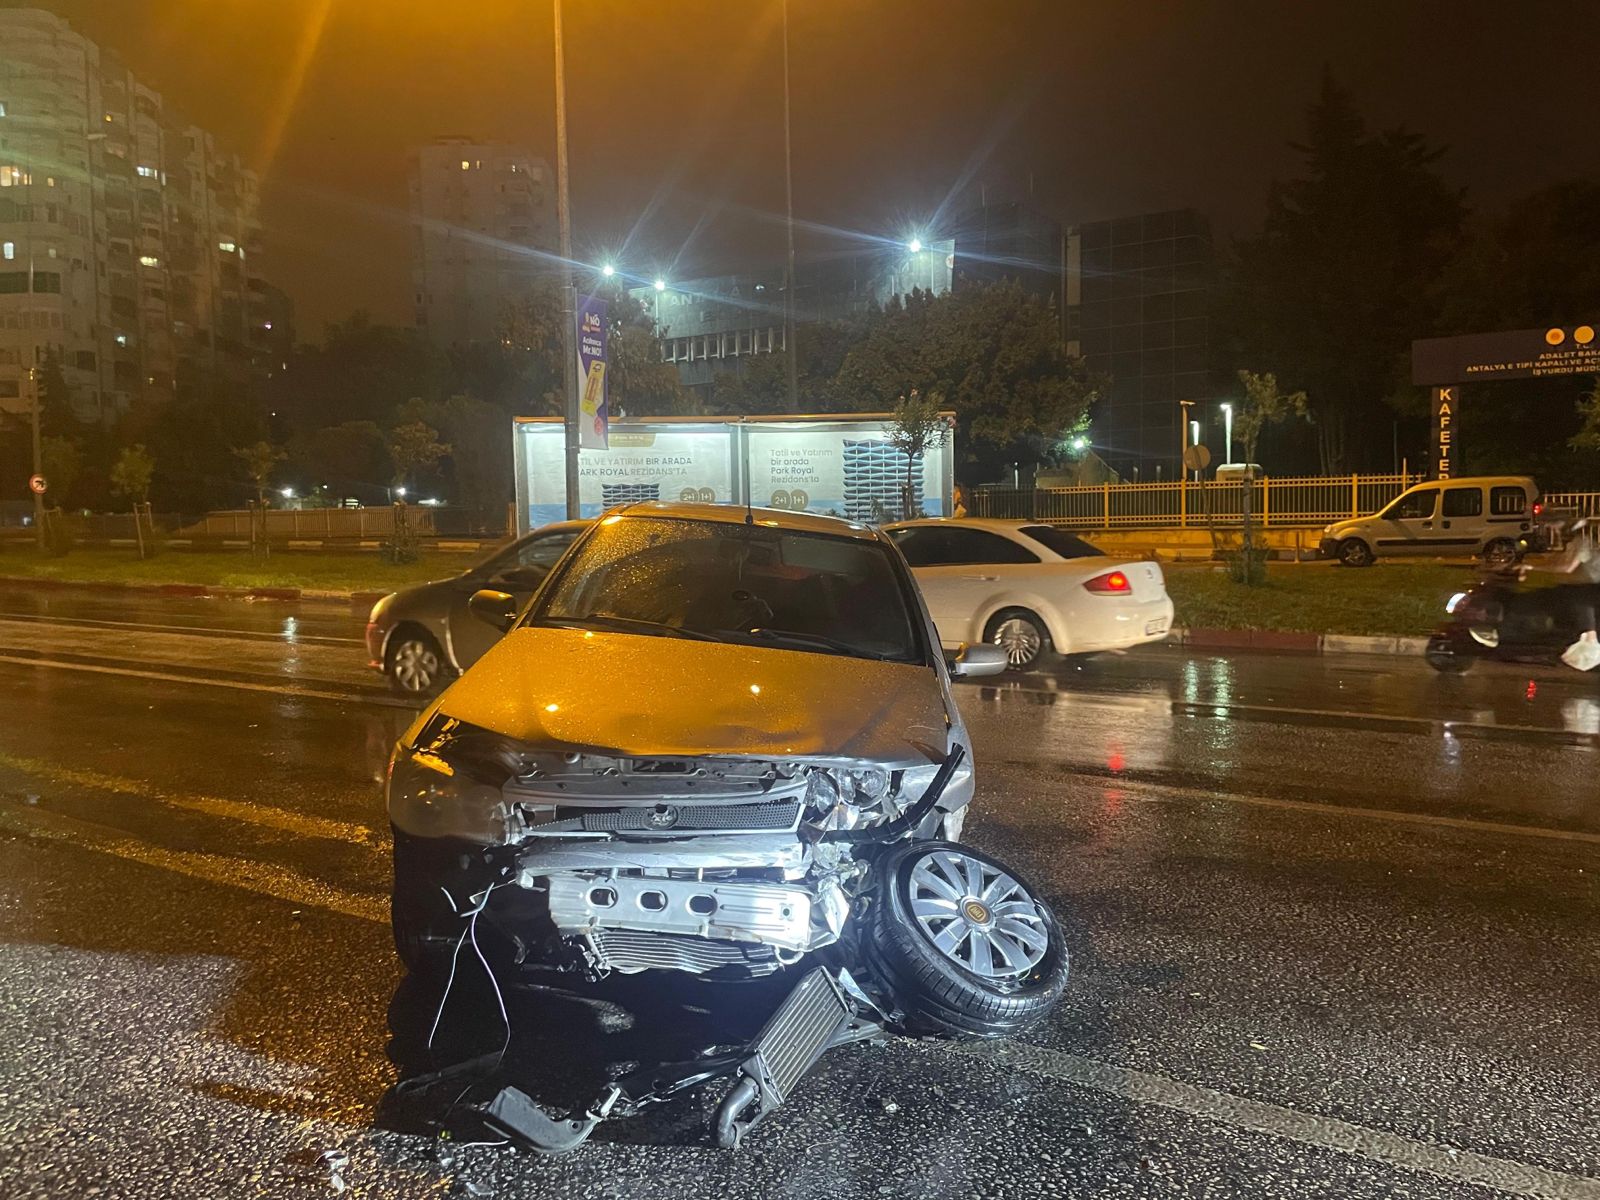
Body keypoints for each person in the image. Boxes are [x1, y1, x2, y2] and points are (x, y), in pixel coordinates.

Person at [1543, 521, 1600, 670]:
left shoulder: (1582, 543)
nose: (1553, 534)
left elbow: (1567, 568)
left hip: (1589, 587)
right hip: (1582, 587)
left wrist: (1533, 567)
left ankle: (1590, 645)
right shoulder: (1571, 545)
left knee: (1580, 600)